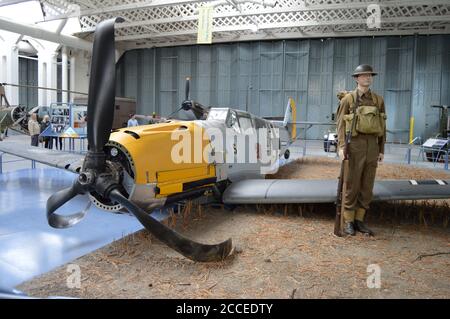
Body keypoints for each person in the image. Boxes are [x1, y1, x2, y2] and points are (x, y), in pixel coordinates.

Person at [336, 64, 387, 236]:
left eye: (370, 75)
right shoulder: (348, 100)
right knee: (352, 184)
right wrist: (341, 147)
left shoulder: (378, 100)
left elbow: (382, 126)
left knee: (367, 186)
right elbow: (340, 126)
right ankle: (348, 220)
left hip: (372, 146)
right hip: (354, 146)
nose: (367, 78)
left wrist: (381, 149)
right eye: (363, 75)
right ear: (357, 78)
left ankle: (360, 220)